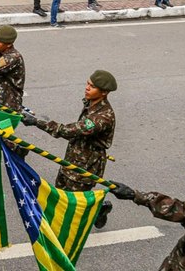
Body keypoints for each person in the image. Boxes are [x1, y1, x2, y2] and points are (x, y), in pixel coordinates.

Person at [22, 69, 117, 228]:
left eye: (92, 86)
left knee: (76, 203)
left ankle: (96, 211)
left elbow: (70, 131)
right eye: (88, 83)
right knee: (61, 195)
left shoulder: (103, 117)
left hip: (86, 164)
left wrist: (37, 122)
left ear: (104, 92)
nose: (87, 87)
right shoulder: (92, 104)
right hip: (73, 156)